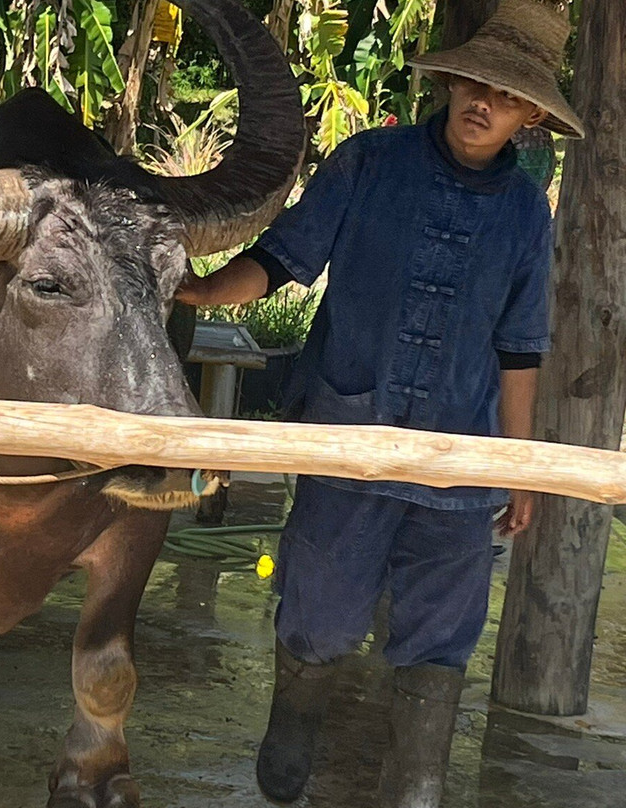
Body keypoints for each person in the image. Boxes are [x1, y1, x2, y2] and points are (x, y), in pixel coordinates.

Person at [176, 1, 584, 805]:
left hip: (460, 461)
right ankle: (292, 727)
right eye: (474, 83)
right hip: (345, 434)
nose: (481, 103)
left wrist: (520, 469)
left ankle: (419, 784)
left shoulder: (524, 217)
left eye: (504, 97)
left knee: (440, 639)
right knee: (318, 615)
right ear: (452, 81)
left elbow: (521, 349)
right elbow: (283, 259)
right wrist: (204, 291)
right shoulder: (368, 164)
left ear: (531, 114)